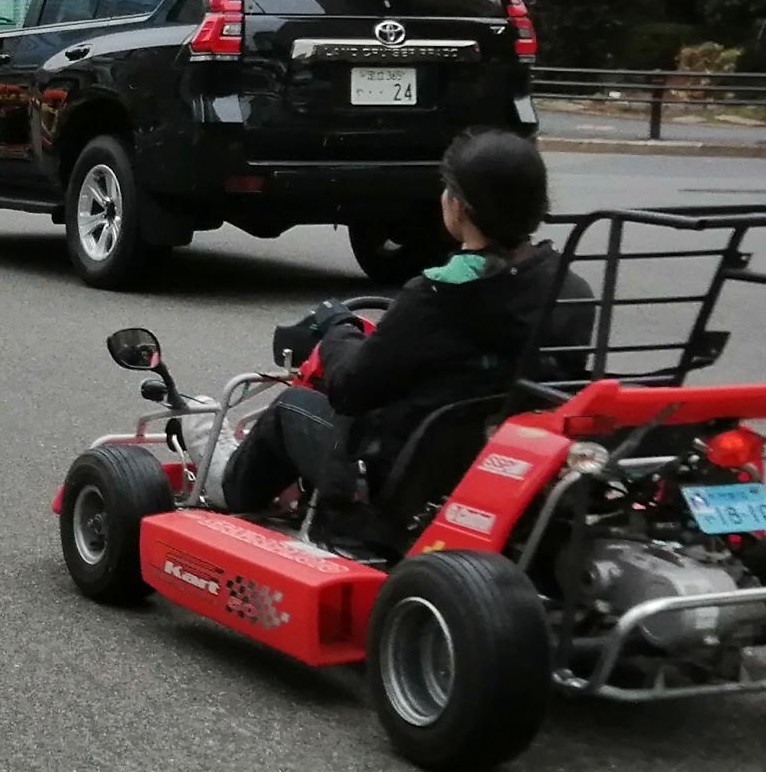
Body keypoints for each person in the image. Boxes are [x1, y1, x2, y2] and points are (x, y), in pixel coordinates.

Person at [216, 131, 579, 529]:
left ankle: (224, 487)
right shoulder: (568, 286)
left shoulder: (439, 295)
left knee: (291, 407)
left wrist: (338, 329)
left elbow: (351, 390)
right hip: (508, 469)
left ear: (459, 207)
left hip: (409, 483)